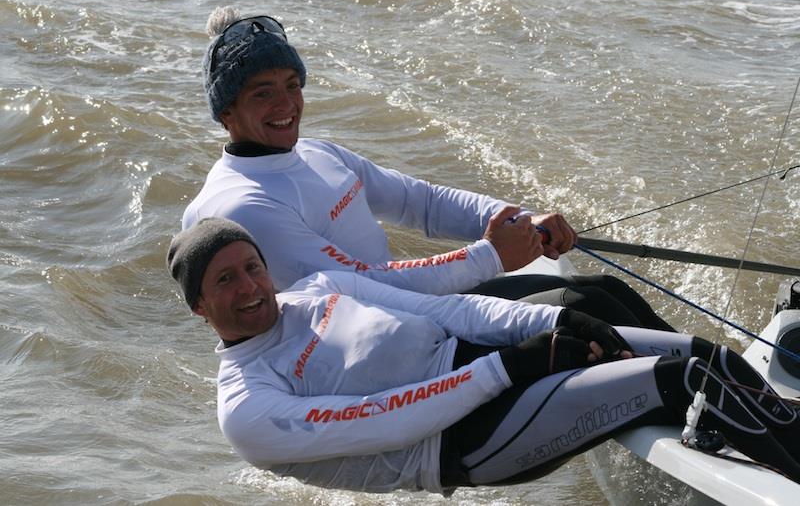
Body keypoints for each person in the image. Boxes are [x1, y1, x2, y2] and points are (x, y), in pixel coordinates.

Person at [167, 217, 800, 494]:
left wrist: (556, 320)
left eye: (251, 267)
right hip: (463, 441)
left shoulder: (319, 289)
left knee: (707, 356)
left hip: (483, 365)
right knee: (682, 380)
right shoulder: (247, 407)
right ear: (200, 307)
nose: (249, 286)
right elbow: (386, 419)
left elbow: (454, 312)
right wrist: (509, 366)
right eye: (225, 281)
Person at [181, 6, 674, 331]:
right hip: (385, 335)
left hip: (412, 304)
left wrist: (522, 220)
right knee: (583, 308)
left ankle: (724, 394)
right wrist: (490, 256)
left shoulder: (316, 153)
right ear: (226, 111)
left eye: (292, 84)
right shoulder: (246, 203)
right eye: (262, 92)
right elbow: (363, 284)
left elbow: (423, 203)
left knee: (604, 290)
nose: (287, 104)